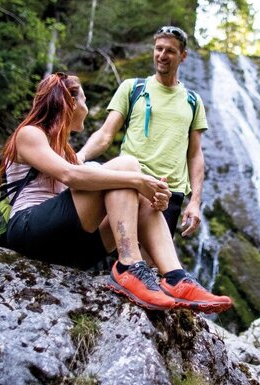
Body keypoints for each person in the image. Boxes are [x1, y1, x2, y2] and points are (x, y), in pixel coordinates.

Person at [2, 72, 231, 313]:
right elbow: (70, 176)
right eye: (84, 100)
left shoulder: (67, 151)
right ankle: (128, 266)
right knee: (127, 165)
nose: (86, 107)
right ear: (71, 103)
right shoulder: (30, 133)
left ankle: (175, 278)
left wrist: (149, 195)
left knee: (138, 194)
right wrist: (137, 179)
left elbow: (88, 192)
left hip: (66, 246)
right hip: (29, 231)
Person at [77, 25, 205, 239]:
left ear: (183, 56)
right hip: (129, 184)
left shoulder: (193, 101)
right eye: (159, 48)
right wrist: (80, 156)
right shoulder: (132, 88)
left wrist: (195, 202)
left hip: (169, 193)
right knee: (119, 255)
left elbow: (195, 154)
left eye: (170, 51)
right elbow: (106, 134)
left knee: (152, 267)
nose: (162, 55)